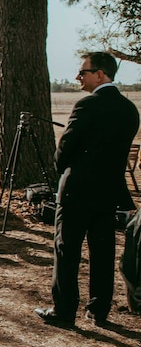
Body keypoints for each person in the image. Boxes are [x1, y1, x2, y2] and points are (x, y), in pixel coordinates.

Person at [35, 51, 140, 327]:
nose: (78, 77)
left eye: (83, 72)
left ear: (100, 75)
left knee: (66, 250)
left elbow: (64, 150)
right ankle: (98, 310)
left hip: (77, 191)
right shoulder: (130, 110)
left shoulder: (87, 106)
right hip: (109, 193)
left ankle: (64, 311)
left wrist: (63, 168)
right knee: (102, 252)